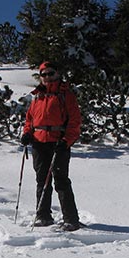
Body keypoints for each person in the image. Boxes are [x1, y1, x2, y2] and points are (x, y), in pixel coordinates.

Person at [20, 61, 82, 231]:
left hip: (58, 143)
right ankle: (43, 216)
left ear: (57, 73)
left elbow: (75, 121)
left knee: (61, 180)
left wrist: (66, 141)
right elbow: (30, 120)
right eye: (44, 74)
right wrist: (27, 134)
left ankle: (71, 219)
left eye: (50, 73)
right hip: (39, 142)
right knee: (42, 180)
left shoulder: (66, 94)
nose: (47, 77)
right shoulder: (37, 96)